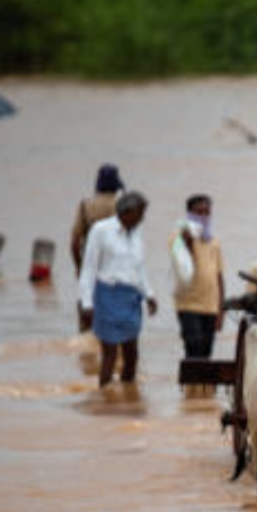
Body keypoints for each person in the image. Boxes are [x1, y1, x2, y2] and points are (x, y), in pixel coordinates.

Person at [78, 191, 157, 387]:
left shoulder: (136, 234)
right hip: (108, 296)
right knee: (110, 354)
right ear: (128, 213)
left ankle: (128, 396)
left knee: (132, 354)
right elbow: (88, 268)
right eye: (140, 214)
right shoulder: (101, 231)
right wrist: (86, 303)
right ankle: (105, 397)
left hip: (131, 298)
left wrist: (149, 294)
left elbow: (139, 268)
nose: (142, 219)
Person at [71, 163, 124, 331]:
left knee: (87, 323)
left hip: (91, 268)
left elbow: (74, 241)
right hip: (117, 272)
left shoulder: (86, 205)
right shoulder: (123, 205)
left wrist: (79, 267)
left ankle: (87, 355)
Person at [170, 194, 224, 359]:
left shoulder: (214, 241)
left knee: (206, 353)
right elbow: (183, 267)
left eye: (207, 213)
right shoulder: (177, 238)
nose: (203, 217)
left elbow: (219, 276)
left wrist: (221, 310)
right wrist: (188, 243)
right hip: (188, 305)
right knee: (193, 348)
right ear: (189, 214)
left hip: (210, 306)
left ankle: (203, 386)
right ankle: (190, 385)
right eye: (198, 213)